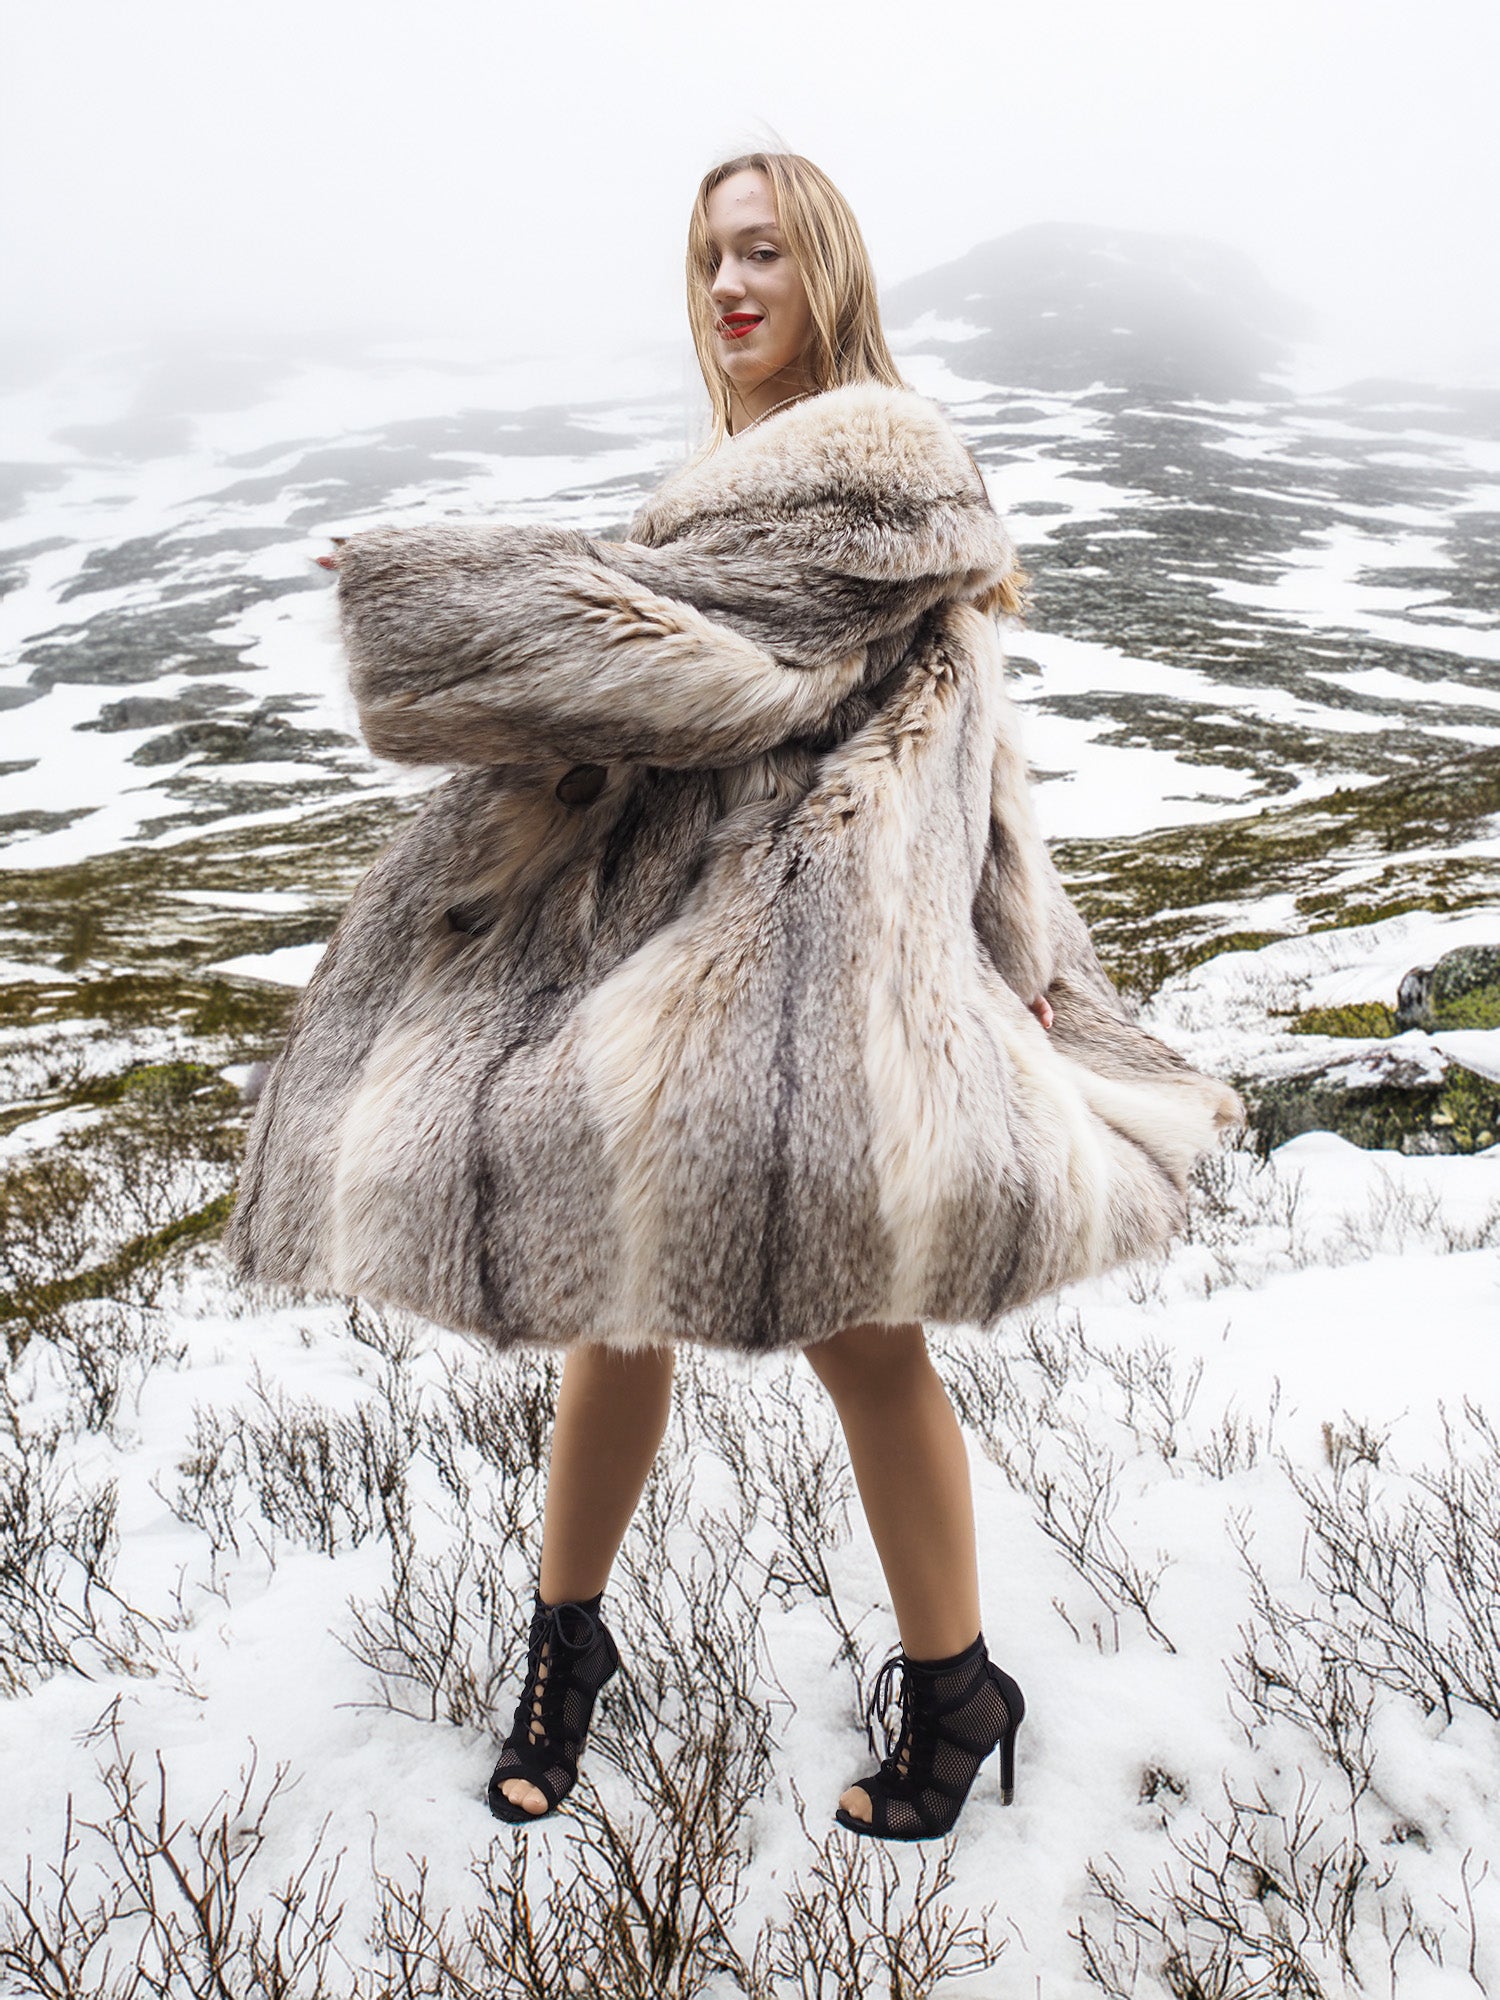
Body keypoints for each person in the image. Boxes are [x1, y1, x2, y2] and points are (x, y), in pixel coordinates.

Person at [227, 150, 1241, 1842]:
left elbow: (706, 668)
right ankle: (570, 1649)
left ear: (826, 266)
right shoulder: (741, 482)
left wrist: (447, 604)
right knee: (609, 1291)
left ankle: (954, 1686)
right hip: (697, 958)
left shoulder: (884, 467)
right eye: (709, 259)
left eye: (762, 251)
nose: (729, 288)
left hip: (814, 979)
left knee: (860, 1331)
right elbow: (950, 753)